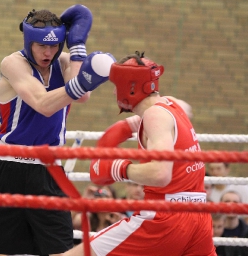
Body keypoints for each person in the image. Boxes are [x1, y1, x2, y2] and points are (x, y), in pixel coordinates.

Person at [0, 4, 116, 256]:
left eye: (54, 45)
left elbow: (82, 96)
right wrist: (85, 80)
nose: (48, 52)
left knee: (60, 251)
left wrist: (77, 47)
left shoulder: (65, 60)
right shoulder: (13, 64)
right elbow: (44, 104)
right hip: (7, 167)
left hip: (49, 171)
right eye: (42, 46)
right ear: (28, 42)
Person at [64, 51, 216, 255]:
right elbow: (183, 110)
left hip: (164, 218)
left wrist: (119, 169)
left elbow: (161, 174)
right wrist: (130, 125)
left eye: (117, 86)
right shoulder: (171, 105)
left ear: (130, 86)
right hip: (198, 217)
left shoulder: (155, 116)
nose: (114, 93)